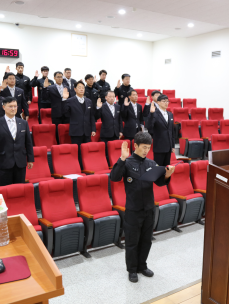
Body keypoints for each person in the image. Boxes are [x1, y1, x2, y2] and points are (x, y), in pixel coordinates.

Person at [110, 132, 175, 283]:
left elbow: (159, 182)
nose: (146, 150)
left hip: (149, 209)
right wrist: (122, 158)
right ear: (136, 146)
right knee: (132, 241)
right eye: (144, 147)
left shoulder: (151, 164)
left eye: (148, 148)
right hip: (133, 209)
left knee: (146, 240)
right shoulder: (126, 162)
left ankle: (142, 266)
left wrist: (167, 175)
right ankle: (132, 269)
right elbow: (114, 177)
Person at [0, 97, 34, 186]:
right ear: (4, 107)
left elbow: (28, 143)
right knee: (6, 190)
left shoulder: (23, 123)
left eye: (15, 106)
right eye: (10, 106)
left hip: (20, 163)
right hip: (4, 163)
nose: (13, 109)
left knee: (20, 190)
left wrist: (30, 159)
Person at [64, 80, 96, 167]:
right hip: (76, 132)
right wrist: (64, 100)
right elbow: (65, 114)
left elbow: (91, 116)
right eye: (79, 87)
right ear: (75, 89)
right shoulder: (70, 101)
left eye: (83, 87)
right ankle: (78, 167)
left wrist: (93, 129)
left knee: (86, 151)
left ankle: (87, 167)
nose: (82, 89)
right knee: (77, 152)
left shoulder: (88, 101)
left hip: (87, 131)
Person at [146, 95, 175, 166]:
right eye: (164, 101)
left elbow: (172, 131)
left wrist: (173, 145)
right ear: (158, 102)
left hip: (168, 147)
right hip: (159, 147)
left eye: (167, 101)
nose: (166, 103)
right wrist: (151, 113)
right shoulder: (154, 113)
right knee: (158, 169)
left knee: (167, 168)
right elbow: (149, 126)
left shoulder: (170, 114)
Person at [42, 71, 69, 142]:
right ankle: (59, 144)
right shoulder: (51, 88)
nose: (60, 78)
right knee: (57, 131)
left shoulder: (66, 87)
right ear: (54, 78)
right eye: (58, 77)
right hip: (56, 113)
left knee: (66, 130)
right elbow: (44, 97)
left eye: (61, 77)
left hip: (66, 113)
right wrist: (44, 88)